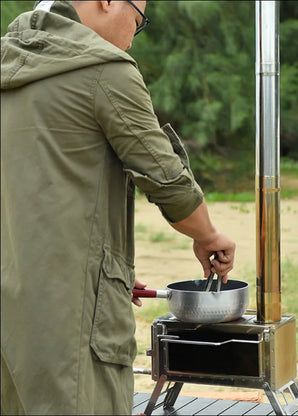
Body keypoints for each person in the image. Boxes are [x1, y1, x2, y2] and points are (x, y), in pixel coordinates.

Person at [0, 1, 236, 414]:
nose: (132, 36)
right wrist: (208, 236)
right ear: (108, 1)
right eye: (138, 20)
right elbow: (166, 180)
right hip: (67, 328)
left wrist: (104, 269)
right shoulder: (106, 71)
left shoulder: (10, 64)